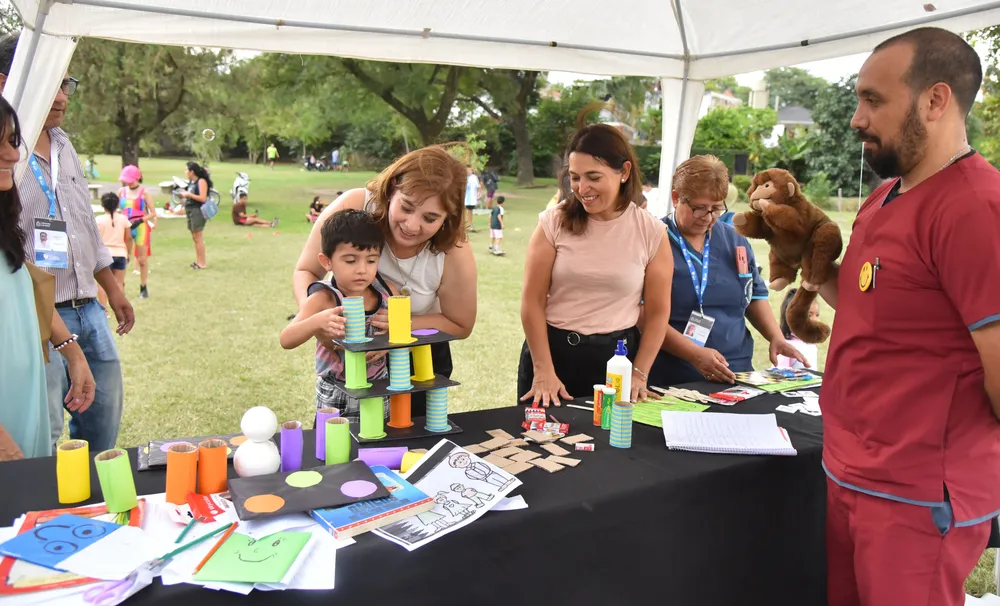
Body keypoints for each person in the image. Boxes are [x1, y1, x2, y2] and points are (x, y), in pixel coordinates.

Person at [813, 28, 1000, 606]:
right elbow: (879, 312)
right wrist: (815, 271)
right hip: (851, 470)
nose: (856, 118)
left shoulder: (975, 207)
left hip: (915, 494)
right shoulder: (886, 193)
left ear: (935, 100)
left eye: (873, 100)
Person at [0, 33, 134, 453]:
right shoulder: (11, 157)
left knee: (102, 423)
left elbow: (83, 227)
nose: (62, 97)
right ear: (10, 80)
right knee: (40, 437)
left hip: (85, 308)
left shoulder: (63, 145)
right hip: (36, 319)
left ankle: (90, 509)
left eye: (66, 84)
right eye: (52, 83)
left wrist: (112, 289)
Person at [293, 146, 478, 418]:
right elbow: (306, 271)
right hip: (349, 353)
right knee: (342, 445)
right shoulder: (354, 206)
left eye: (430, 218)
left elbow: (461, 324)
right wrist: (317, 319)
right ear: (392, 189)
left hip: (419, 358)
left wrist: (401, 327)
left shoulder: (455, 250)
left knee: (409, 447)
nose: (412, 226)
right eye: (406, 207)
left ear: (448, 217)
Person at [518, 124, 672, 406]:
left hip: (616, 363)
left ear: (624, 172)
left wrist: (639, 373)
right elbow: (531, 301)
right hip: (551, 358)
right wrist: (543, 370)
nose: (582, 188)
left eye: (593, 177)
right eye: (575, 178)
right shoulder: (553, 222)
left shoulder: (652, 232)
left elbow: (658, 313)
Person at [647, 155, 806, 387]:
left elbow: (755, 296)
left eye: (716, 208)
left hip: (735, 371)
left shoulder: (734, 240)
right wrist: (693, 354)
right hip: (674, 375)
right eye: (699, 209)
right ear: (675, 198)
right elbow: (644, 316)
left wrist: (776, 337)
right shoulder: (655, 240)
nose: (708, 218)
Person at [0, 95, 95, 459]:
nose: (12, 155)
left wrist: (73, 354)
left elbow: (27, 294)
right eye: (0, 143)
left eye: (13, 142)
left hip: (26, 409)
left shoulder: (5, 230)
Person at [281, 210, 396, 420]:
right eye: (351, 261)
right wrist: (316, 322)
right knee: (333, 448)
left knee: (376, 444)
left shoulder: (387, 294)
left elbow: (405, 334)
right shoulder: (324, 298)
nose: (362, 269)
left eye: (371, 261)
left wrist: (394, 330)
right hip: (336, 391)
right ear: (327, 262)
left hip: (378, 389)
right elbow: (286, 339)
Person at [117, 165, 154, 299]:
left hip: (140, 227)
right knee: (123, 257)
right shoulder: (121, 191)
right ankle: (121, 285)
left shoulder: (144, 193)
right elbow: (116, 209)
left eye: (130, 179)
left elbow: (153, 213)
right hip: (125, 226)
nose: (128, 182)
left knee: (142, 259)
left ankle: (143, 286)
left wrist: (141, 220)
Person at [95, 193, 133, 309]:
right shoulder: (123, 219)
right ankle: (120, 307)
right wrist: (128, 253)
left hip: (104, 255)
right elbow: (129, 238)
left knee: (102, 284)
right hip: (120, 253)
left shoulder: (98, 220)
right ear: (117, 205)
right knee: (119, 282)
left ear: (102, 205)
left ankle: (104, 309)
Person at [775, 288, 819, 370]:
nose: (815, 320)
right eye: (809, 315)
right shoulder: (786, 346)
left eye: (817, 315)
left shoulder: (811, 343)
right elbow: (779, 374)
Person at [178, 161, 211, 269]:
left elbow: (202, 198)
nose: (185, 172)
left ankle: (202, 262)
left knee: (198, 236)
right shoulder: (191, 183)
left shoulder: (201, 181)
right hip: (190, 210)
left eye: (187, 169)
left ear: (192, 171)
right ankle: (198, 260)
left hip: (198, 211)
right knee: (194, 237)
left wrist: (189, 194)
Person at [464, 166, 480, 231]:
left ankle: (469, 225)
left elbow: (478, 186)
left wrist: (478, 194)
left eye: (470, 170)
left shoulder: (474, 177)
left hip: (471, 197)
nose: (469, 171)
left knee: (470, 211)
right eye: (468, 170)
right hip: (464, 197)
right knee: (462, 211)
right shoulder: (463, 177)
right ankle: (462, 225)